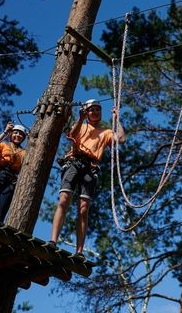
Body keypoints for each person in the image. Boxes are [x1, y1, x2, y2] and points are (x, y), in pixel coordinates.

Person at [50, 99, 125, 257]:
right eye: (91, 110)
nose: (95, 112)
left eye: (97, 109)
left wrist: (117, 120)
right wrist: (80, 119)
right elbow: (71, 135)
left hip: (90, 168)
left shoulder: (106, 132)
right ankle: (53, 241)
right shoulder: (82, 126)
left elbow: (121, 140)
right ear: (86, 112)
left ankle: (79, 251)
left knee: (83, 210)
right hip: (74, 162)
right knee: (64, 199)